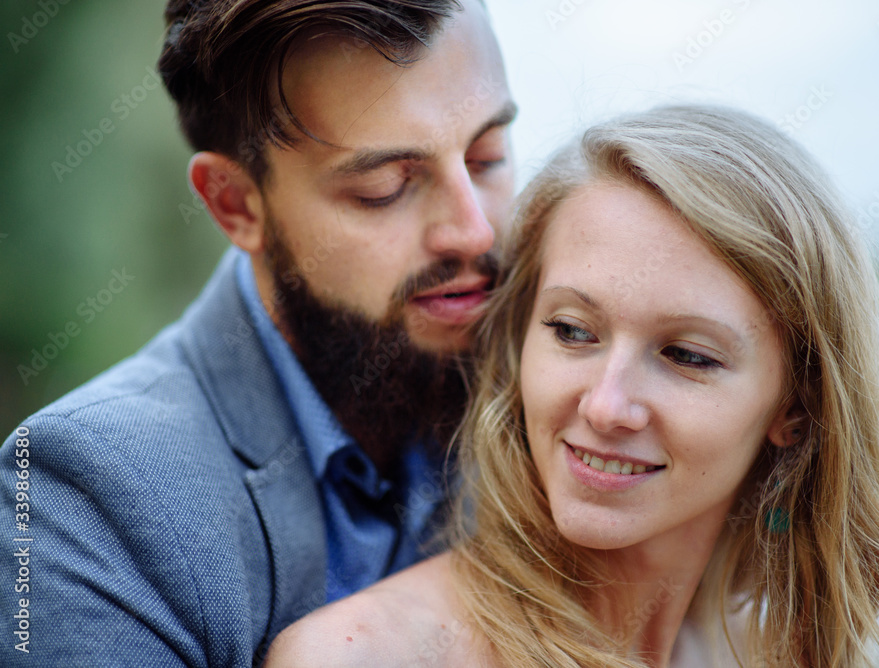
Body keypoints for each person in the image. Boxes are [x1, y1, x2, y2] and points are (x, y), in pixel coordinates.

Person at [264, 104, 879, 667]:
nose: (606, 406)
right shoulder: (363, 657)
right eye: (574, 332)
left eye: (687, 355)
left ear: (796, 410)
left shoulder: (772, 651)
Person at [0, 1, 516, 666]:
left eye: (488, 157)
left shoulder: (572, 396)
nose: (474, 230)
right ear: (235, 204)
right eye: (385, 187)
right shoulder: (83, 500)